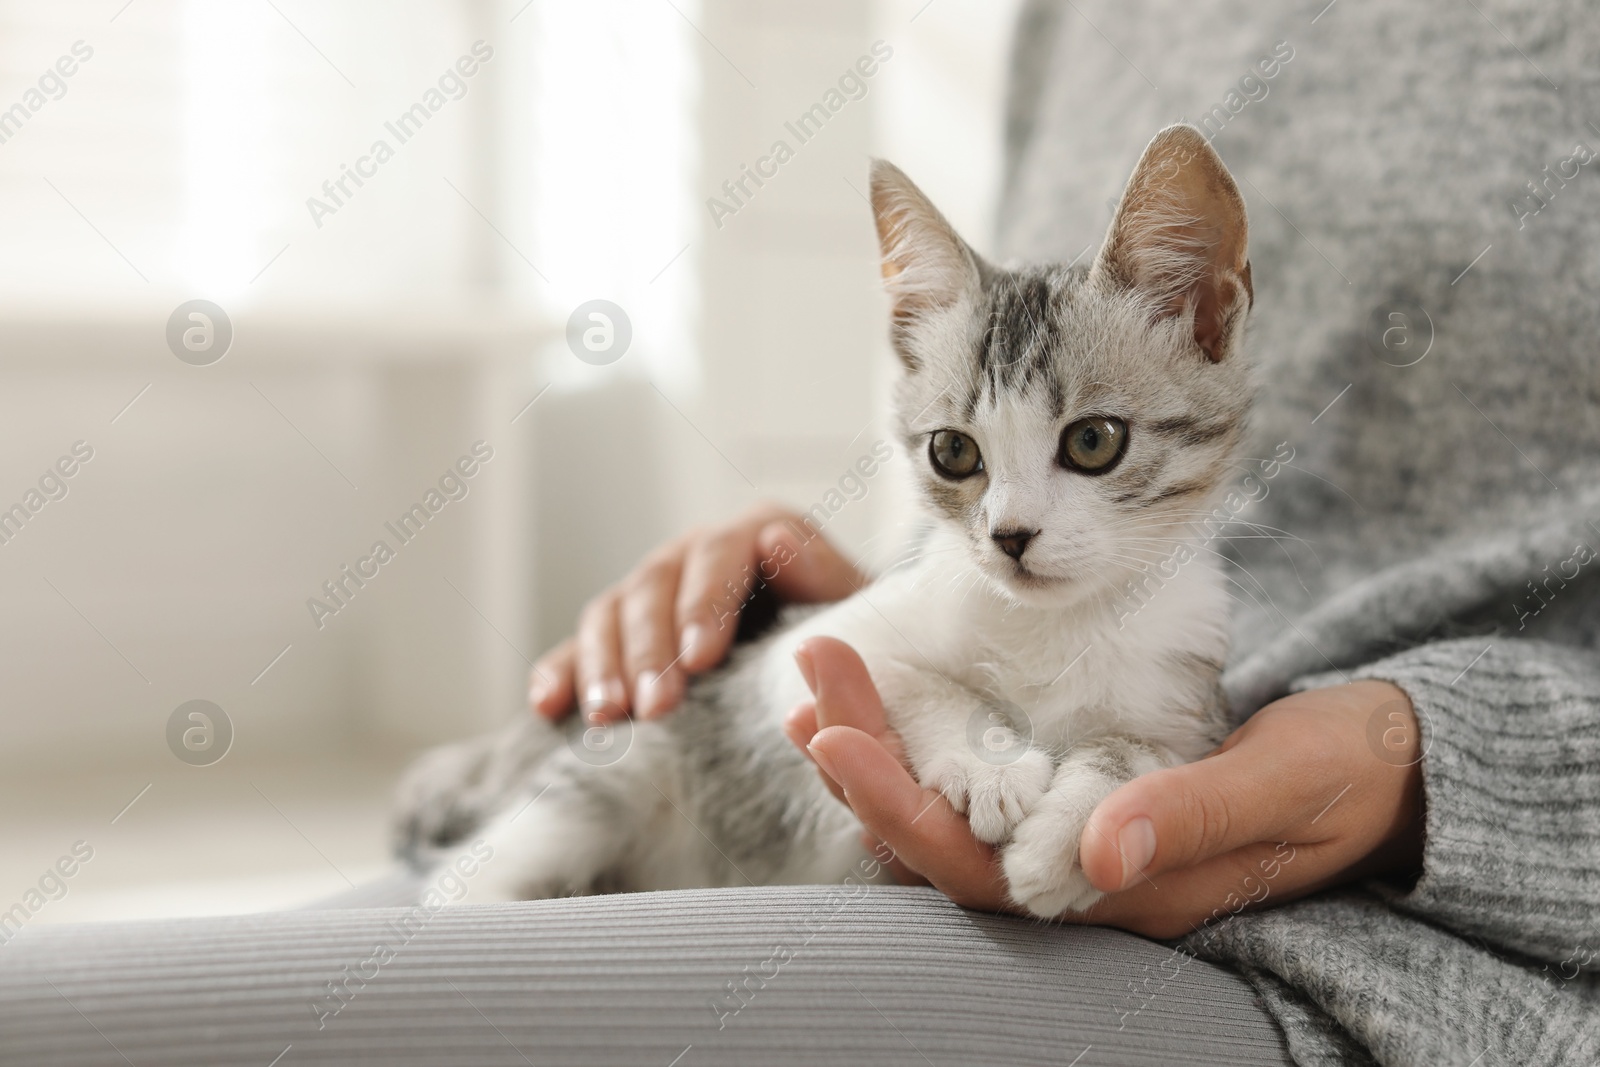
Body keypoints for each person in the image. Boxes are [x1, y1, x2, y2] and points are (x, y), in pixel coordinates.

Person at [523, 2, 1600, 1061]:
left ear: (1204, 316)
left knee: (389, 1004)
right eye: (958, 459)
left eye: (1091, 443)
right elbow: (1012, 439)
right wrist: (866, 606)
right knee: (442, 891)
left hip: (1380, 946)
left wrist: (1438, 767)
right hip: (871, 797)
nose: (1010, 522)